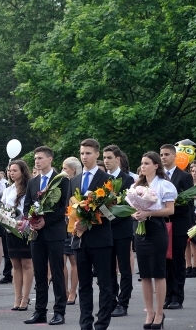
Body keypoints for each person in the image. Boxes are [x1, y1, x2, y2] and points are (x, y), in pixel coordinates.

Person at [69, 138, 114, 330]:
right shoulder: (74, 180)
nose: (84, 157)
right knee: (84, 284)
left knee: (105, 284)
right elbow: (70, 208)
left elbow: (111, 213)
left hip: (101, 239)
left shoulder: (107, 180)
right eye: (82, 153)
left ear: (96, 154)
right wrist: (76, 223)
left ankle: (102, 322)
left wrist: (91, 218)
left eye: (88, 153)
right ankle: (85, 322)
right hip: (80, 239)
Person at [24, 146, 70, 326]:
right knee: (40, 273)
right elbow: (28, 204)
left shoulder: (61, 180)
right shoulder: (32, 182)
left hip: (54, 233)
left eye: (40, 158)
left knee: (57, 272)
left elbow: (63, 208)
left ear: (50, 159)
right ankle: (40, 311)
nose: (37, 161)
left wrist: (46, 221)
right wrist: (32, 218)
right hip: (36, 233)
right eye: (35, 158)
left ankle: (59, 311)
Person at [131, 151, 177, 330]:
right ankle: (149, 311)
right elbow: (132, 206)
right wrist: (136, 213)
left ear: (156, 166)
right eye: (142, 163)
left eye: (147, 163)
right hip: (141, 230)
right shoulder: (137, 185)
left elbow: (170, 210)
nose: (143, 166)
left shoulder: (164, 185)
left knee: (158, 271)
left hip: (157, 228)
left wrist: (149, 213)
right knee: (144, 274)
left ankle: (159, 311)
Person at [159, 143, 194, 309]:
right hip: (162, 225)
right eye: (161, 155)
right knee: (165, 261)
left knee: (177, 260)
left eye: (166, 154)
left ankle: (177, 296)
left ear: (174, 156)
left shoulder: (184, 176)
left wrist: (171, 207)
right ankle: (167, 295)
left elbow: (188, 203)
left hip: (178, 224)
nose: (163, 157)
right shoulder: (159, 177)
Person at [103, 144, 135, 317]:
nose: (106, 161)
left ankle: (123, 302)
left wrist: (109, 216)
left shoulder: (127, 180)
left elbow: (127, 207)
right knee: (108, 269)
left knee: (124, 268)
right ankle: (112, 300)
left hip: (122, 230)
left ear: (118, 159)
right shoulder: (103, 178)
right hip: (105, 231)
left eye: (109, 158)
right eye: (105, 158)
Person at [2, 160, 33, 312]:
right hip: (11, 230)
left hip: (25, 229)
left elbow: (34, 207)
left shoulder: (30, 187)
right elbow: (2, 209)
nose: (11, 173)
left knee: (26, 264)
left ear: (22, 171)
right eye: (9, 170)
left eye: (14, 170)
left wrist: (25, 222)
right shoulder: (8, 190)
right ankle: (17, 297)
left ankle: (26, 298)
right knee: (15, 264)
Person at [61, 156, 82, 306]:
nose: (62, 171)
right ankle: (64, 291)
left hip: (76, 225)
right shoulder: (60, 182)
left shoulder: (79, 182)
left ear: (73, 170)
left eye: (64, 168)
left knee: (74, 260)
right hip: (61, 225)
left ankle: (73, 291)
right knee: (60, 260)